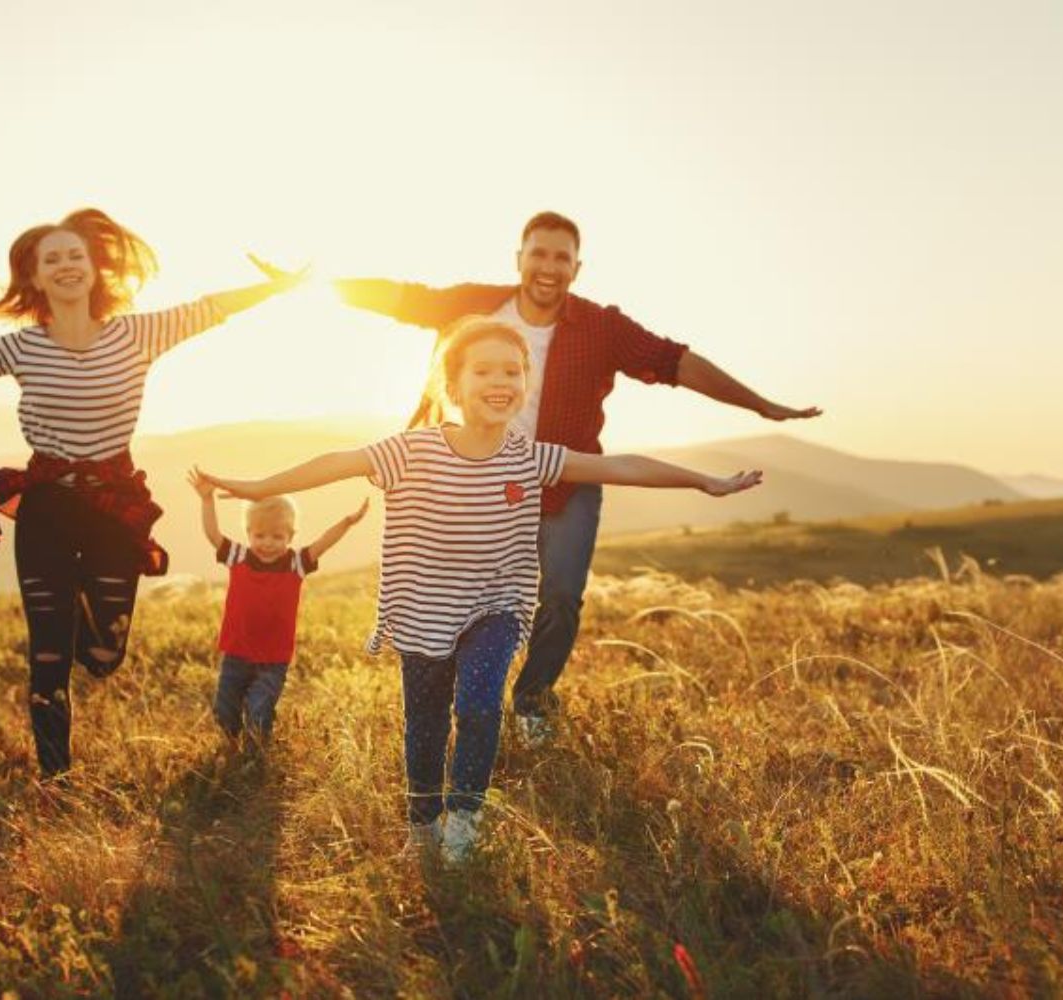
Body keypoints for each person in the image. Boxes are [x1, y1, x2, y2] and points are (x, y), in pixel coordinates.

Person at [194, 316, 761, 862]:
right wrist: (254, 487)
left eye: (513, 372)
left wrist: (703, 480)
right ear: (453, 386)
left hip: (496, 607)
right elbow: (336, 463)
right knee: (425, 723)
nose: (500, 382)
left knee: (480, 703)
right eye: (484, 371)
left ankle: (465, 818)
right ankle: (423, 824)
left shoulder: (530, 458)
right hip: (421, 613)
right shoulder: (411, 450)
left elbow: (621, 467)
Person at [0, 208, 304, 779]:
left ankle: (82, 626)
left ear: (94, 269)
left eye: (75, 256)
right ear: (36, 279)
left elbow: (212, 308)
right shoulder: (22, 348)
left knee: (104, 655)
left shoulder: (138, 333)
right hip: (47, 507)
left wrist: (278, 285)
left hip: (113, 508)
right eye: (52, 259)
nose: (65, 265)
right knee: (47, 653)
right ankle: (55, 777)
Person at [316, 210, 821, 745]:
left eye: (561, 257)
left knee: (560, 595)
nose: (548, 267)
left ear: (577, 267)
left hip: (564, 481)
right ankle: (457, 700)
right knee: (462, 593)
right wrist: (313, 282)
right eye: (539, 253)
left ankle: (532, 701)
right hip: (473, 481)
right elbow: (400, 298)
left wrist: (761, 406)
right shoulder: (475, 305)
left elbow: (676, 362)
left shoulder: (600, 328)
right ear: (519, 259)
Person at [188, 470, 367, 747]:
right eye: (259, 535)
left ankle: (257, 753)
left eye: (277, 536)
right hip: (236, 654)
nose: (268, 543)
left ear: (290, 536)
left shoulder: (296, 563)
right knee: (225, 710)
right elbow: (213, 534)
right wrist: (207, 499)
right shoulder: (238, 557)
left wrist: (347, 522)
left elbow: (323, 543)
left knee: (259, 710)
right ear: (248, 533)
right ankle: (232, 748)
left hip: (273, 660)